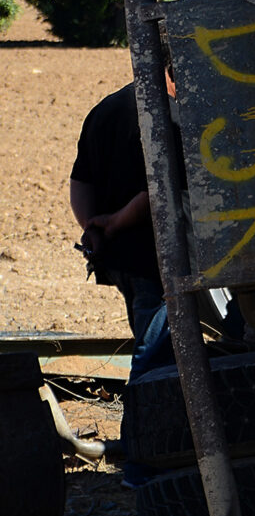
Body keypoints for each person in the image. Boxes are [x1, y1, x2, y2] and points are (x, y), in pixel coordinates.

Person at [70, 81, 173, 484]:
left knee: (156, 350)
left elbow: (80, 182)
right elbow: (161, 187)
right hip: (154, 257)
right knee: (155, 357)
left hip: (119, 258)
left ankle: (157, 452)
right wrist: (114, 222)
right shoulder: (167, 108)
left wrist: (93, 227)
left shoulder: (107, 108)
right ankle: (140, 462)